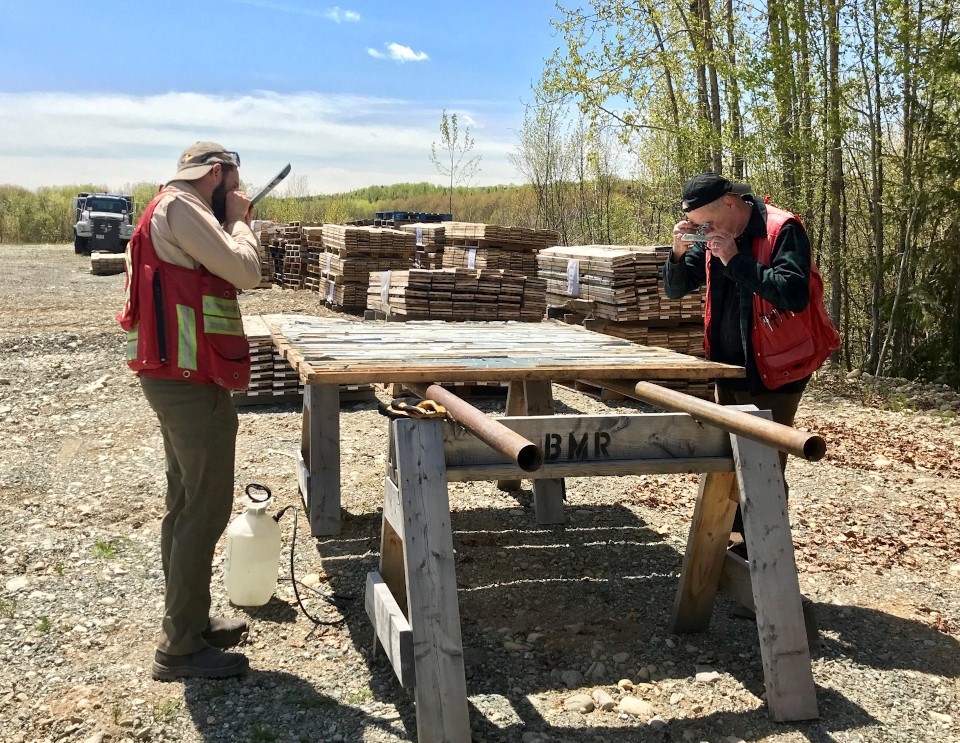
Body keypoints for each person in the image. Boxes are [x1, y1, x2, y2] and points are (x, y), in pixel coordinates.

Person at [117, 142, 263, 680]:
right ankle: (180, 647)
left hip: (179, 376)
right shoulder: (184, 207)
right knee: (202, 509)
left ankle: (190, 622)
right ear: (218, 174)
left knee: (183, 505)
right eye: (233, 182)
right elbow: (245, 270)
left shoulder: (167, 207)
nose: (236, 191)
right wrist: (241, 222)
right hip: (187, 382)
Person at [663, 172, 838, 530]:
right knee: (729, 461)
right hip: (728, 368)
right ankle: (731, 547)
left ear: (729, 202)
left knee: (764, 467)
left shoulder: (782, 228)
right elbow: (675, 289)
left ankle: (766, 556)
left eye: (707, 223)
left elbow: (793, 294)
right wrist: (678, 253)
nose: (705, 232)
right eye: (697, 227)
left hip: (778, 369)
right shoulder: (715, 232)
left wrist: (735, 258)